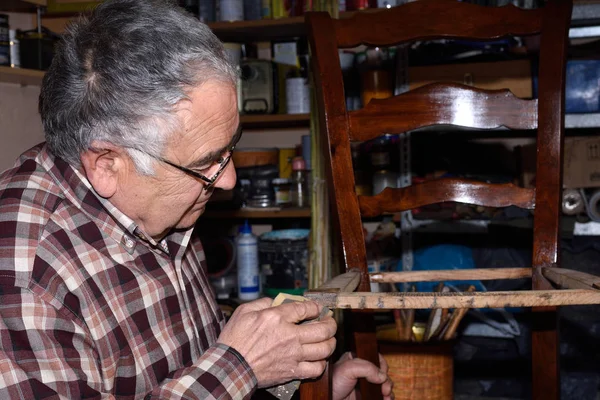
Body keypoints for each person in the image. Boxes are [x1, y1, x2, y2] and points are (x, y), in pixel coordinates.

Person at [0, 0, 393, 399]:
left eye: (230, 147)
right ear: (106, 164)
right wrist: (240, 365)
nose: (229, 180)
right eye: (206, 162)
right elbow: (223, 372)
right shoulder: (25, 275)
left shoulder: (163, 203)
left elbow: (186, 368)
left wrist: (307, 387)